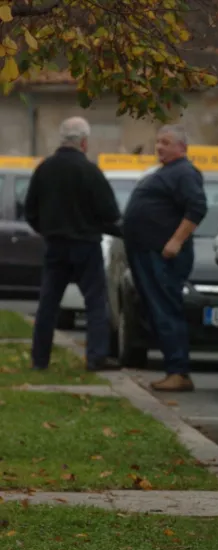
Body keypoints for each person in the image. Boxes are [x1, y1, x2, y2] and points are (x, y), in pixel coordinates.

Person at [25, 117, 122, 372]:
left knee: (48, 303)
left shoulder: (44, 169)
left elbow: (31, 211)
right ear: (84, 142)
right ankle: (96, 356)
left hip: (55, 245)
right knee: (95, 302)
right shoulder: (90, 172)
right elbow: (110, 212)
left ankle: (40, 359)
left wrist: (47, 230)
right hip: (86, 245)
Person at [122, 125, 206, 392]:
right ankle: (174, 369)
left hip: (163, 256)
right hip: (145, 252)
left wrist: (176, 240)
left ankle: (178, 371)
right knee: (156, 311)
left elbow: (197, 208)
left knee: (166, 310)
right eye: (158, 142)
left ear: (182, 147)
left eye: (166, 142)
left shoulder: (184, 172)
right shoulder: (164, 172)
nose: (159, 147)